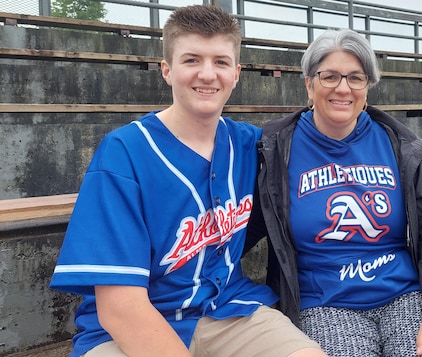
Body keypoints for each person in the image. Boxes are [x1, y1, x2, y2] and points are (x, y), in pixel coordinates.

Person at [49, 5, 327, 357]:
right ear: (167, 70)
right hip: (128, 329)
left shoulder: (251, 144)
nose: (208, 74)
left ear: (237, 73)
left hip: (228, 310)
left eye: (221, 62)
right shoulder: (124, 152)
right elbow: (119, 307)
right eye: (192, 60)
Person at [247, 28, 422, 357]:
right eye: (330, 76)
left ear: (367, 87)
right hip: (325, 303)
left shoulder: (395, 144)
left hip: (404, 294)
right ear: (309, 83)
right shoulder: (277, 149)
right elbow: (239, 228)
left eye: (356, 78)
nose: (343, 88)